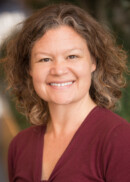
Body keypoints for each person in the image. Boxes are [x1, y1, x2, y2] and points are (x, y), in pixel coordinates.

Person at [2, 3, 130, 182]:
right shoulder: (19, 146)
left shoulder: (120, 139)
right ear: (29, 69)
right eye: (45, 59)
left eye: (72, 56)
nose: (59, 70)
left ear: (93, 62)